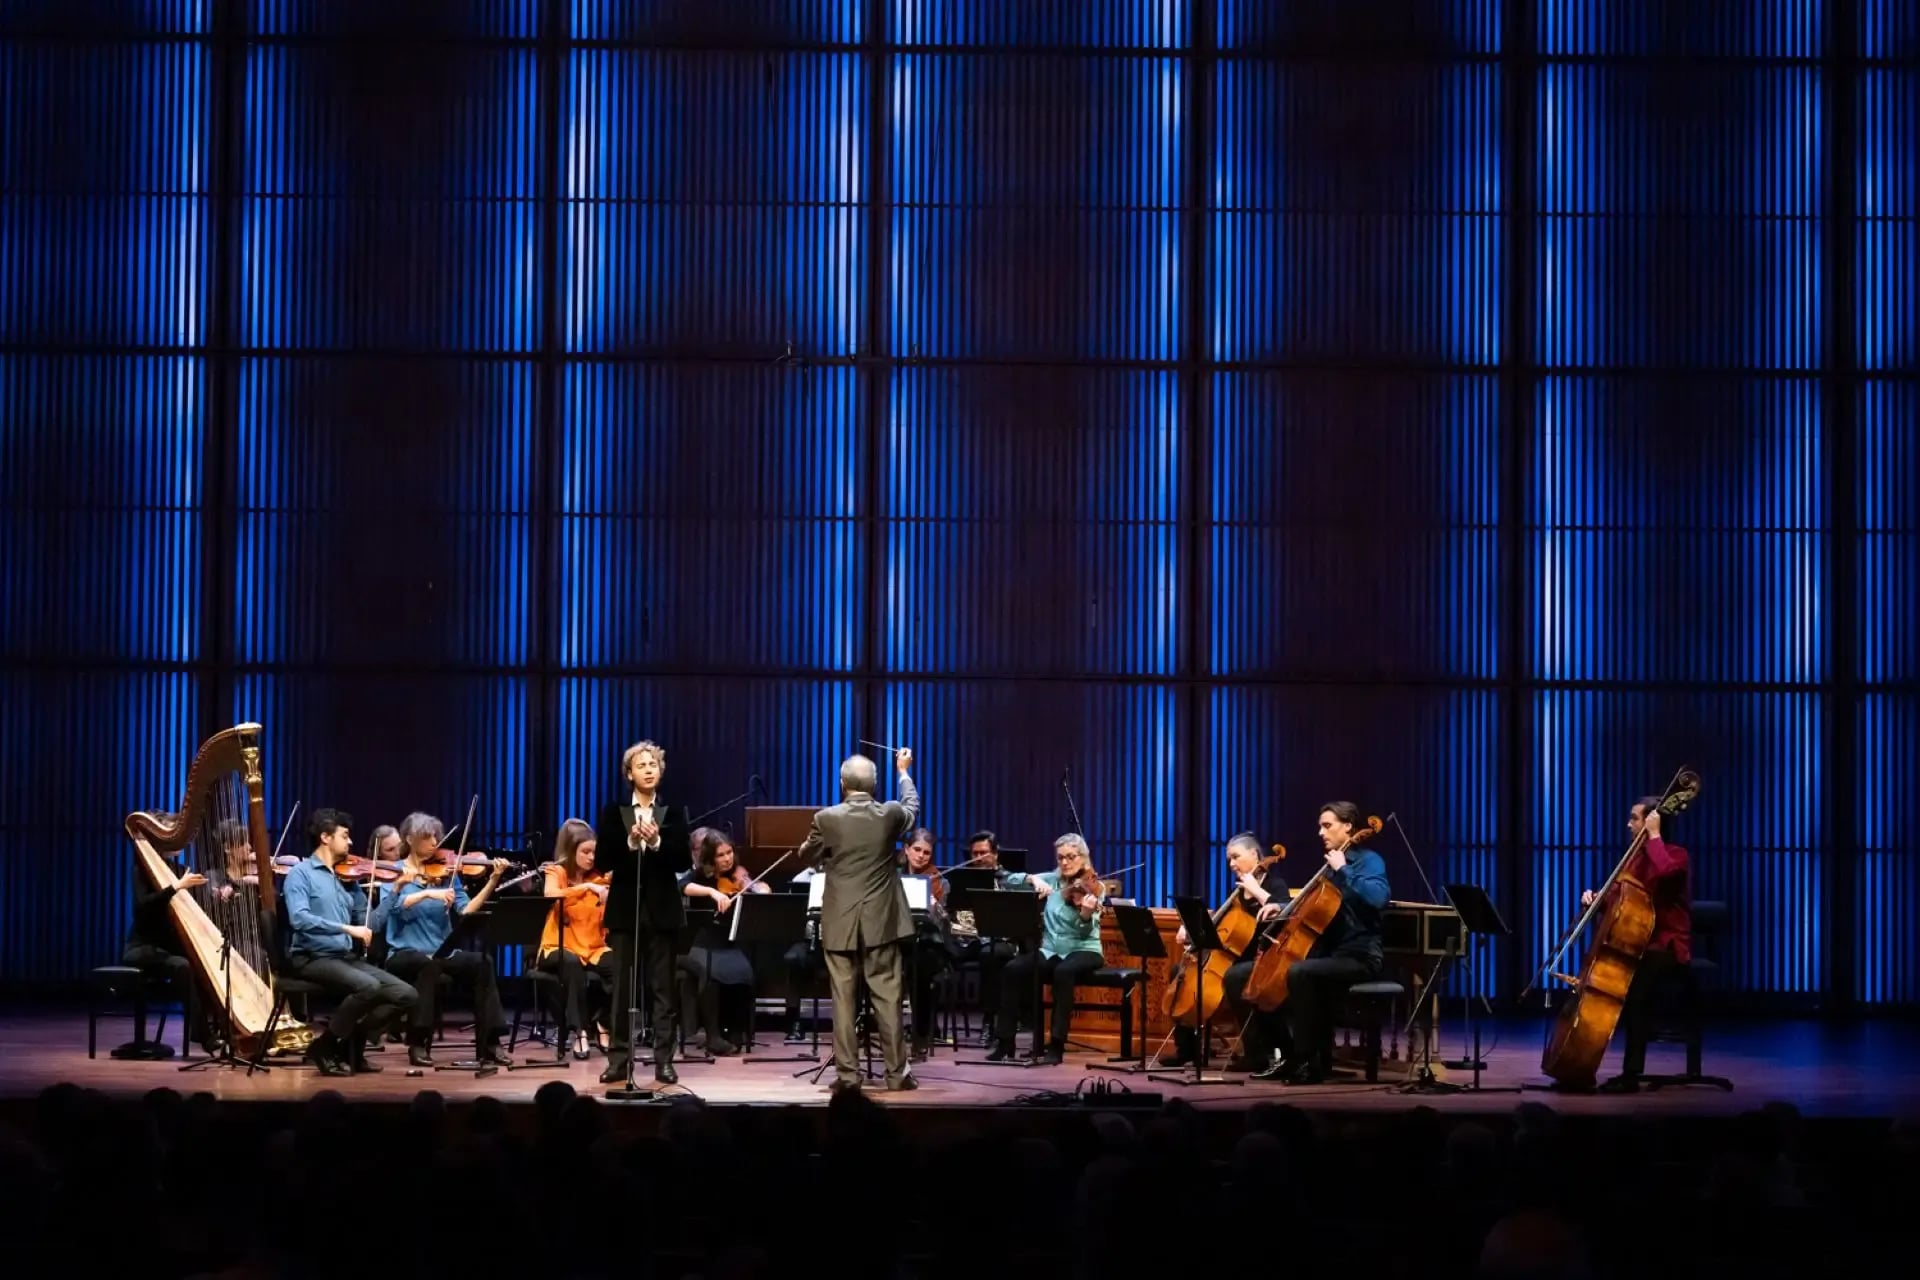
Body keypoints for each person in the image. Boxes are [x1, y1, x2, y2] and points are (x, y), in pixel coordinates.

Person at [797, 747, 921, 1093]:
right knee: (889, 999)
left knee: (843, 1000)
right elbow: (913, 807)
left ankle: (849, 1077)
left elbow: (806, 854)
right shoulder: (890, 814)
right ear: (875, 784)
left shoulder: (826, 818)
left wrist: (823, 854)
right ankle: (896, 1075)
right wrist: (904, 772)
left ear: (841, 783)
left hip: (840, 920)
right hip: (883, 921)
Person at [1252, 801, 1389, 1084]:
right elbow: (1308, 905)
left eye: (1327, 825)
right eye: (1320, 826)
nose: (1320, 832)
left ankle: (1308, 1062)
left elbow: (1378, 898)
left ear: (1348, 826)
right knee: (1249, 975)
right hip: (1330, 952)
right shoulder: (1330, 866)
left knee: (1300, 972)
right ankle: (1286, 1055)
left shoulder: (1368, 861)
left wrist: (1344, 870)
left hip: (1360, 956)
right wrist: (1282, 907)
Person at [281, 808, 417, 1076]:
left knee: (406, 995)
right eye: (345, 835)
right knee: (369, 986)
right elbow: (299, 919)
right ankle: (325, 1047)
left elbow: (370, 924)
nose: (351, 842)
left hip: (343, 957)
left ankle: (351, 1047)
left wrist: (396, 891)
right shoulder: (301, 873)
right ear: (325, 837)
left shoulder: (348, 879)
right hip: (311, 956)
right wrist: (346, 928)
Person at [379, 811, 515, 1068]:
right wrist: (427, 894)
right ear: (409, 838)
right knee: (426, 965)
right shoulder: (394, 872)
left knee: (482, 963)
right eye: (427, 837)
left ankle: (490, 1044)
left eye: (436, 837)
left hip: (441, 952)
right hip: (404, 952)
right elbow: (394, 908)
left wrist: (493, 880)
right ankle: (418, 1043)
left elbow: (466, 910)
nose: (434, 843)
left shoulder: (447, 872)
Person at [594, 739, 691, 1087]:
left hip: (662, 912)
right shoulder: (613, 812)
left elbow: (683, 861)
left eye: (653, 765)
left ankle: (664, 1061)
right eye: (641, 765)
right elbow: (603, 860)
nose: (648, 770)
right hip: (625, 911)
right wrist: (631, 843)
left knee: (663, 990)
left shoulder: (674, 812)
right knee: (621, 990)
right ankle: (619, 1060)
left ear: (660, 771)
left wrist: (657, 843)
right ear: (629, 774)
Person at [1582, 796, 1690, 1092]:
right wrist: (1596, 900)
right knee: (1625, 986)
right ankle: (1597, 1063)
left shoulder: (1676, 855)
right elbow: (1619, 901)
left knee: (1635, 993)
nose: (1629, 825)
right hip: (1637, 944)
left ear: (1652, 822)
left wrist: (1655, 837)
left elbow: (1667, 873)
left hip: (1665, 946)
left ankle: (1631, 1074)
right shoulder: (1634, 859)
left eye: (1635, 819)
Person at [1163, 833, 1288, 1072]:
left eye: (1235, 857)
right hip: (1231, 956)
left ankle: (1255, 1053)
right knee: (1179, 971)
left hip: (1262, 958)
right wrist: (1191, 931)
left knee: (1236, 977)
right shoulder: (1237, 892)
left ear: (1254, 855)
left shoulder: (1275, 884)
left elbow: (1284, 915)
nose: (1231, 864)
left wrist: (1258, 892)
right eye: (1228, 859)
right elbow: (1220, 928)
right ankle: (1186, 1049)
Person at [986, 833, 1107, 1066]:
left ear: (1083, 858)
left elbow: (1084, 932)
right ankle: (1005, 1042)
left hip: (1084, 949)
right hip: (1051, 950)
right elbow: (1007, 879)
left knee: (1064, 972)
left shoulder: (1094, 886)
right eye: (1060, 857)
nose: (1064, 863)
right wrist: (1032, 879)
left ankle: (1057, 1045)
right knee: (1013, 968)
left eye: (1070, 857)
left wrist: (1085, 914)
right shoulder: (1051, 880)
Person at [120, 820, 214, 1054]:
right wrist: (176, 887)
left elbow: (194, 908)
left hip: (169, 948)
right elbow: (141, 908)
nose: (179, 840)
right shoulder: (141, 869)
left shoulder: (180, 871)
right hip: (143, 948)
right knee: (183, 966)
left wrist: (215, 896)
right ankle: (203, 1035)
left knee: (209, 964)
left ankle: (220, 1030)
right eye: (172, 835)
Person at [677, 826, 768, 1054]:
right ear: (709, 857)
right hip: (699, 942)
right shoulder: (700, 875)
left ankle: (737, 1031)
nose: (727, 859)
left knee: (744, 972)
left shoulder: (736, 874)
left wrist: (751, 884)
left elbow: (764, 892)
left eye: (729, 853)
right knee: (710, 973)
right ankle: (713, 1035)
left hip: (725, 942)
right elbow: (681, 886)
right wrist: (712, 893)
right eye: (720, 855)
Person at [538, 819, 615, 1060]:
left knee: (621, 964)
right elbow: (550, 894)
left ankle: (603, 1024)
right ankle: (580, 1031)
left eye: (594, 852)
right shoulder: (556, 872)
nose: (591, 857)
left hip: (592, 947)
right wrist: (586, 889)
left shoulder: (600, 879)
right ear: (572, 851)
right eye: (585, 852)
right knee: (571, 965)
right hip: (556, 946)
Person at [900, 827, 956, 1057]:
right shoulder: (893, 877)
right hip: (898, 940)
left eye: (926, 852)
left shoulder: (940, 883)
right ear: (906, 849)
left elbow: (943, 925)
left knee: (918, 968)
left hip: (929, 944)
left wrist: (934, 907)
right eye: (917, 849)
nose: (921, 855)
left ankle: (921, 1036)